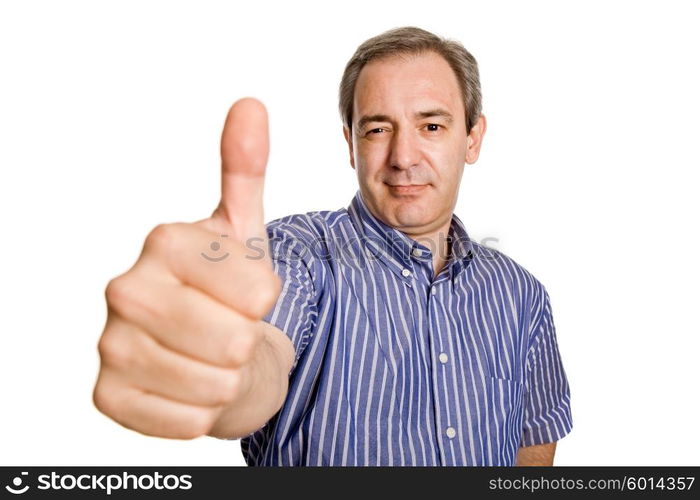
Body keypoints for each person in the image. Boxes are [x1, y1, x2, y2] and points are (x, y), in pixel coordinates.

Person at [93, 26, 572, 466]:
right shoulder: (296, 253)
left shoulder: (521, 293)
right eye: (378, 128)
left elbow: (534, 445)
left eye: (431, 126)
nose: (403, 157)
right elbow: (262, 360)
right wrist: (220, 373)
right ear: (351, 144)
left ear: (472, 138)